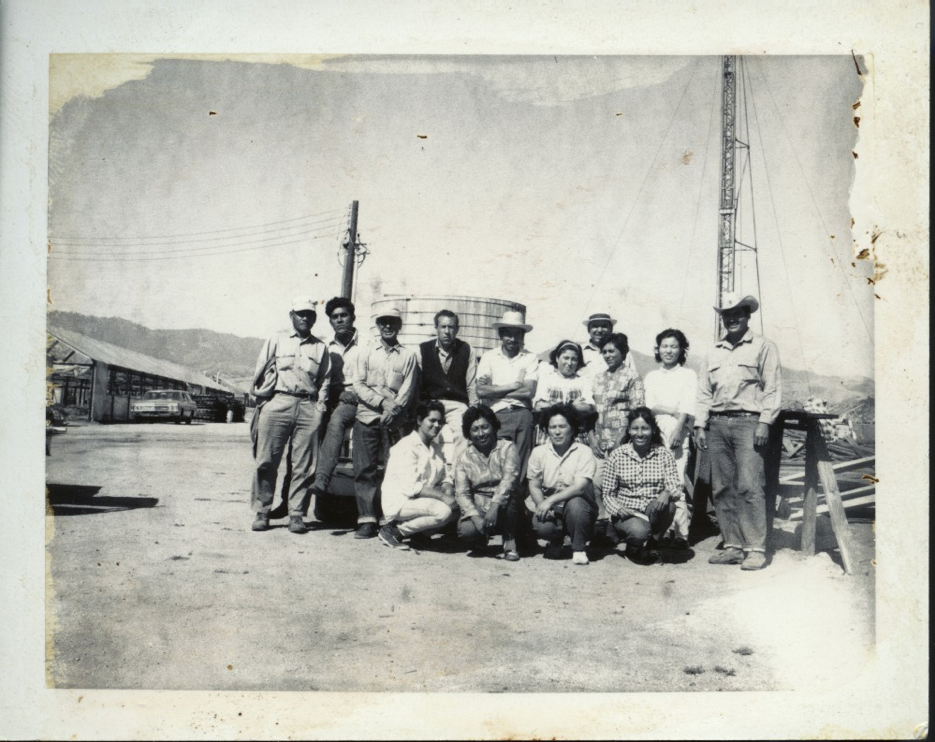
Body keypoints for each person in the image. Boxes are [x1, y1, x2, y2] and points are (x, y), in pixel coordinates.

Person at [694, 292, 782, 571]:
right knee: (722, 488)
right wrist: (699, 424)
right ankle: (732, 545)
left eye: (737, 314)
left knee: (749, 485)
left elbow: (773, 388)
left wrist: (765, 422)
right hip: (717, 425)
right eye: (727, 315)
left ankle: (755, 548)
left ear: (747, 316)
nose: (732, 319)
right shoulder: (712, 352)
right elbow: (703, 392)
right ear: (722, 318)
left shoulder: (764, 346)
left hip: (748, 423)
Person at [249, 297, 331, 535]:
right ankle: (262, 511)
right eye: (300, 314)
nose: (305, 318)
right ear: (291, 315)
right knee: (266, 461)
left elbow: (325, 379)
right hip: (278, 401)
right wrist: (263, 402)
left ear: (315, 318)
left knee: (303, 466)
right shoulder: (277, 339)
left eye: (310, 314)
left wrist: (320, 408)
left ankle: (296, 515)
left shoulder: (320, 347)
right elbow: (260, 370)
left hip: (308, 406)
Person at [351, 307, 419, 539]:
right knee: (365, 470)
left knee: (395, 471)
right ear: (377, 326)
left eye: (392, 322)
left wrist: (394, 409)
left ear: (399, 326)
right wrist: (382, 404)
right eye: (383, 322)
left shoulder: (409, 356)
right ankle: (367, 520)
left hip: (395, 423)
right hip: (367, 417)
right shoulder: (365, 353)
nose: (388, 326)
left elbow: (408, 390)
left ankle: (388, 519)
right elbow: (358, 385)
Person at [602, 407, 682, 564]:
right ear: (629, 431)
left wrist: (666, 492)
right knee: (640, 532)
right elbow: (607, 494)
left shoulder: (664, 454)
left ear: (653, 430)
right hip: (628, 512)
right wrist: (618, 509)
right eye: (635, 428)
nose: (640, 433)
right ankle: (633, 546)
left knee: (670, 505)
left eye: (645, 428)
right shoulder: (617, 455)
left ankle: (654, 544)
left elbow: (675, 485)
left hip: (653, 509)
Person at [377, 401, 457, 550]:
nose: (436, 425)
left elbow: (444, 475)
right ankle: (394, 531)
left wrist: (448, 487)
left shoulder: (435, 447)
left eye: (440, 422)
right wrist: (444, 497)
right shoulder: (406, 446)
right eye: (432, 420)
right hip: (401, 501)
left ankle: (419, 536)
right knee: (444, 511)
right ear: (420, 421)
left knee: (456, 506)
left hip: (420, 500)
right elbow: (411, 487)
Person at [589, 331, 645, 544]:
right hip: (599, 443)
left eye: (612, 351)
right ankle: (602, 524)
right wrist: (592, 438)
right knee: (595, 483)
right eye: (604, 351)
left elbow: (637, 411)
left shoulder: (632, 377)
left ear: (623, 352)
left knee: (618, 485)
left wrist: (622, 439)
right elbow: (591, 412)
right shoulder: (598, 378)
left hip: (622, 443)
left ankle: (618, 527)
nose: (608, 355)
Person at [644, 328, 697, 547]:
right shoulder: (652, 376)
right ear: (658, 349)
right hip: (655, 430)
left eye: (674, 346)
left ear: (681, 349)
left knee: (676, 480)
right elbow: (649, 405)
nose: (669, 350)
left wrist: (678, 428)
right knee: (656, 481)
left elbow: (687, 405)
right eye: (664, 346)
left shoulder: (688, 375)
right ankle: (661, 531)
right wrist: (670, 410)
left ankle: (681, 534)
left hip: (678, 429)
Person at [526, 404, 598, 565]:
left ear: (572, 429)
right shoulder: (539, 452)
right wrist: (541, 504)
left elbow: (579, 487)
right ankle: (556, 540)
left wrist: (549, 501)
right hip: (552, 508)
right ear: (546, 430)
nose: (557, 431)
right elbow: (534, 485)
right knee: (542, 527)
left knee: (576, 505)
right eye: (552, 427)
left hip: (579, 505)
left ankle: (579, 548)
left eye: (562, 426)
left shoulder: (584, 451)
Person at [309, 297, 364, 506]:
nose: (339, 320)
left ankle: (322, 479)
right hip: (337, 399)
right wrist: (339, 393)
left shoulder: (367, 345)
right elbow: (322, 380)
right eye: (335, 317)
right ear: (330, 321)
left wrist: (358, 395)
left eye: (344, 316)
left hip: (363, 399)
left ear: (352, 318)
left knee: (338, 418)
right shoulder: (326, 348)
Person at [476, 310, 539, 478]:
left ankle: (515, 502)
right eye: (508, 334)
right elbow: (481, 391)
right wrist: (513, 385)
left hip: (522, 413)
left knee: (521, 461)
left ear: (522, 336)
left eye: (517, 334)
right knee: (497, 458)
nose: (513, 339)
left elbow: (529, 391)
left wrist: (495, 390)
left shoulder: (530, 357)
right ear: (501, 334)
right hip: (497, 414)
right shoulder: (489, 357)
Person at [454, 404, 522, 561]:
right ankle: (481, 540)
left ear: (493, 427)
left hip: (506, 504)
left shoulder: (507, 447)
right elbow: (462, 492)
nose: (481, 433)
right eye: (475, 429)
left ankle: (510, 542)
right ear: (468, 433)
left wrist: (495, 505)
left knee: (510, 496)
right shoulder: (463, 457)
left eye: (485, 427)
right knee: (466, 530)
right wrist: (475, 517)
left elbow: (509, 479)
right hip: (480, 504)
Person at [417, 309, 479, 470]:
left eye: (451, 327)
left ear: (457, 329)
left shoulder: (468, 350)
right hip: (432, 403)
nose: (447, 331)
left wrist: (473, 412)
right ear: (436, 328)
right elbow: (417, 384)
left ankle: (458, 476)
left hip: (457, 404)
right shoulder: (422, 350)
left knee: (462, 433)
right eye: (443, 326)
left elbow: (472, 385)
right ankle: (428, 474)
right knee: (427, 433)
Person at [532, 339, 595, 445]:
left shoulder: (583, 381)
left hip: (576, 436)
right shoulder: (547, 379)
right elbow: (539, 406)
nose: (569, 363)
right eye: (566, 358)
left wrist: (552, 405)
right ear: (557, 358)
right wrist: (571, 406)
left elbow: (589, 408)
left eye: (574, 359)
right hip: (549, 436)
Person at [579, 312, 638, 382]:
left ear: (611, 329)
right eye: (595, 326)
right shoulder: (580, 351)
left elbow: (633, 378)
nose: (599, 330)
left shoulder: (622, 352)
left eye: (604, 326)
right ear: (588, 329)